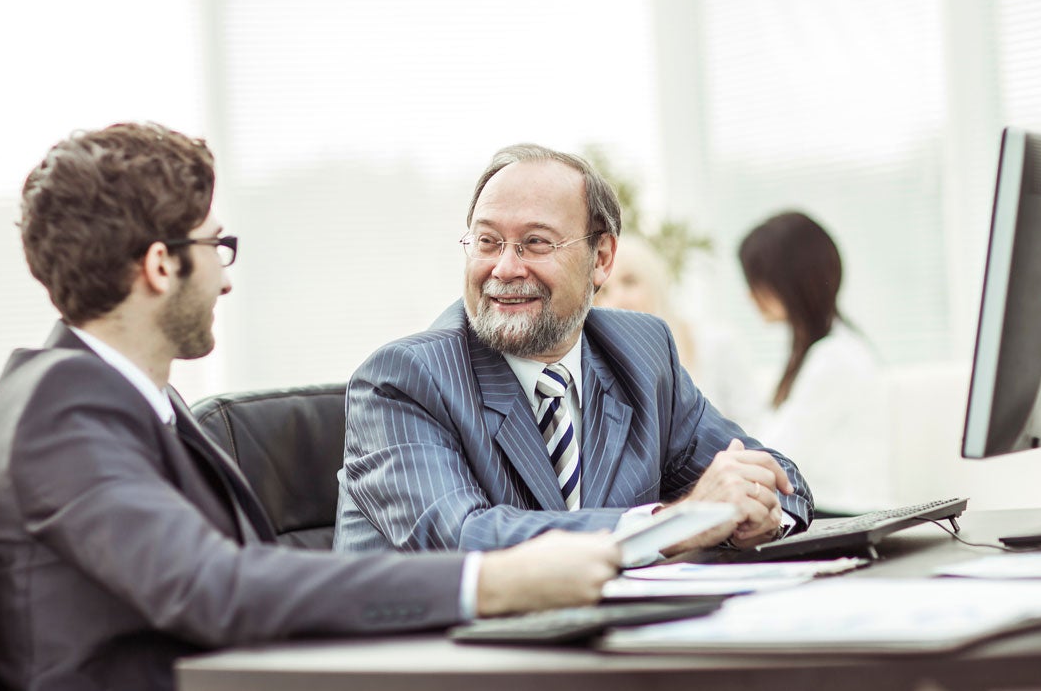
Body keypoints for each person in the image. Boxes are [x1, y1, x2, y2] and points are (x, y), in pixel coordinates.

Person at [0, 123, 621, 691]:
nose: (225, 277)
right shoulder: (61, 410)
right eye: (216, 247)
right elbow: (217, 588)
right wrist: (495, 581)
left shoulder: (129, 400)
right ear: (160, 266)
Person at [334, 143, 813, 556]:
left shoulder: (641, 353)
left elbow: (775, 475)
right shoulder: (403, 381)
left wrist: (757, 514)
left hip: (609, 645)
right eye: (487, 241)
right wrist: (675, 525)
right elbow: (467, 539)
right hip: (436, 656)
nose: (504, 268)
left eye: (535, 243)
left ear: (601, 258)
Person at [737, 210, 887, 517]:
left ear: (790, 283)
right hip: (833, 513)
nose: (750, 295)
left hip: (844, 516)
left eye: (757, 281)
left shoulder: (834, 359)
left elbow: (773, 456)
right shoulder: (823, 351)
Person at [594, 234, 700, 380]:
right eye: (604, 291)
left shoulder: (712, 345)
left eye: (629, 281)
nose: (617, 300)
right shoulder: (599, 371)